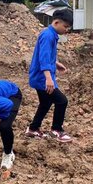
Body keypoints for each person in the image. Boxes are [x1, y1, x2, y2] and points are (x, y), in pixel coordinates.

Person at [25, 8, 73, 142]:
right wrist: (48, 78)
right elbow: (44, 58)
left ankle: (33, 129)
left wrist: (56, 63)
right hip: (42, 78)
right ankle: (56, 130)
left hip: (40, 76)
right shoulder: (48, 36)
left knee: (45, 103)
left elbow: (45, 54)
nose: (66, 30)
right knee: (62, 101)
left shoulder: (49, 34)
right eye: (66, 26)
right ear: (56, 22)